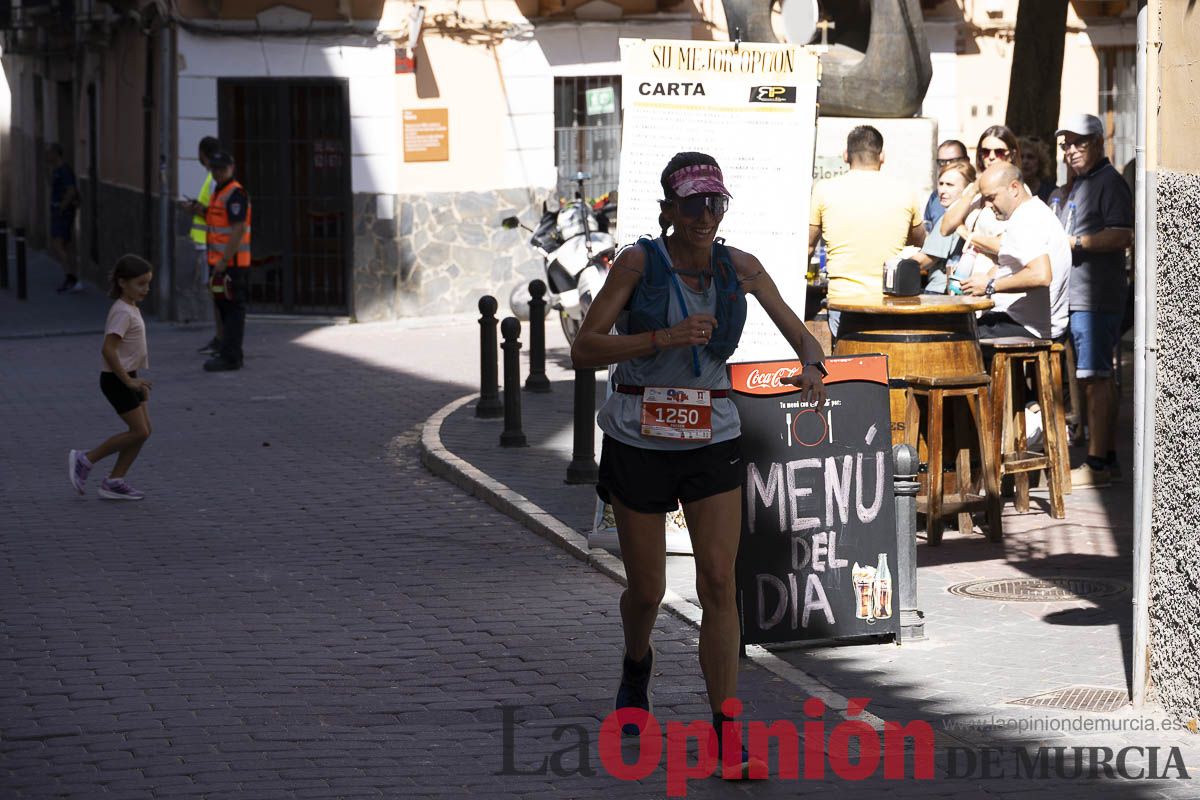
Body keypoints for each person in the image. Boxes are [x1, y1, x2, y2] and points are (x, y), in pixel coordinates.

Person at [571, 152, 827, 779]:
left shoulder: (739, 267)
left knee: (718, 581)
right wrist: (662, 337)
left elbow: (801, 334)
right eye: (692, 204)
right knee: (649, 590)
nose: (704, 216)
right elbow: (585, 348)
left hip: (713, 437)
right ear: (667, 210)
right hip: (639, 439)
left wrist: (812, 365)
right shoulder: (637, 262)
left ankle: (727, 731)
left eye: (715, 203)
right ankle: (638, 664)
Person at [1055, 113, 1134, 487]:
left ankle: (1098, 463)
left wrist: (1076, 244)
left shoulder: (1110, 183)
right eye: (1066, 144)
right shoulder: (1079, 184)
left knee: (1096, 379)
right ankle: (1108, 457)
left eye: (1079, 142)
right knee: (1092, 378)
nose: (1071, 150)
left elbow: (1122, 235)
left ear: (1099, 143)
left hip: (1097, 297)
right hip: (1077, 296)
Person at [809, 125, 925, 337]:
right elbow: (919, 241)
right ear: (882, 156)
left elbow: (807, 247)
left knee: (848, 364)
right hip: (891, 298)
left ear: (846, 155)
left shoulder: (823, 190)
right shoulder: (905, 191)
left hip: (843, 301)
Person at [67, 255, 155, 501]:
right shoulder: (122, 312)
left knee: (144, 431)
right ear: (122, 282)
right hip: (116, 380)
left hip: (130, 376)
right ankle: (86, 459)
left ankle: (114, 481)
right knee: (138, 431)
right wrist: (128, 382)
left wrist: (136, 380)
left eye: (148, 283)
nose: (146, 289)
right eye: (140, 284)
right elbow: (108, 349)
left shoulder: (130, 308)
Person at [960, 162, 1071, 346]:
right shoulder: (1035, 211)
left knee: (952, 339)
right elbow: (1015, 264)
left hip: (1028, 326)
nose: (988, 205)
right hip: (1032, 322)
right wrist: (986, 279)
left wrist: (990, 286)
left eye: (992, 197)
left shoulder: (1026, 220)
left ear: (1014, 188)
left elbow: (1041, 275)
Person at [202, 151, 252, 372]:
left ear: (231, 168)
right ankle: (229, 353)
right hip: (220, 263)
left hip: (232, 264)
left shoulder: (235, 194)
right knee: (224, 307)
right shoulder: (219, 192)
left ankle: (231, 357)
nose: (218, 172)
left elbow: (238, 230)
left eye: (222, 168)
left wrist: (224, 260)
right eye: (214, 169)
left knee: (232, 310)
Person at [179, 136, 223, 355]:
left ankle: (222, 338)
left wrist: (195, 208)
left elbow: (215, 213)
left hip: (211, 244)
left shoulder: (214, 180)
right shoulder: (212, 178)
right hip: (207, 243)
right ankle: (220, 337)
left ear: (203, 154)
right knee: (214, 291)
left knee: (217, 292)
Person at [913, 161, 976, 294]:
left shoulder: (949, 218)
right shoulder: (972, 214)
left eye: (950, 185)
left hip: (939, 292)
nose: (942, 190)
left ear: (968, 189)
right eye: (941, 184)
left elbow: (924, 261)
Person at [48, 143, 82, 293]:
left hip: (63, 212)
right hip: (60, 211)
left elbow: (71, 191)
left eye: (49, 153)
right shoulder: (56, 170)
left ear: (56, 153)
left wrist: (61, 207)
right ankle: (72, 277)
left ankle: (71, 278)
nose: (47, 155)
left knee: (58, 243)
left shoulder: (64, 170)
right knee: (65, 245)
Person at [923, 139, 970, 233]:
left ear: (967, 161)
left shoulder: (976, 198)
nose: (947, 167)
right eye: (942, 163)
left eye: (953, 161)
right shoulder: (935, 197)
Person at [1018, 135, 1057, 203]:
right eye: (1021, 157)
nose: (1025, 161)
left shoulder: (1051, 192)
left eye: (1030, 157)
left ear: (1040, 162)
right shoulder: (1010, 190)